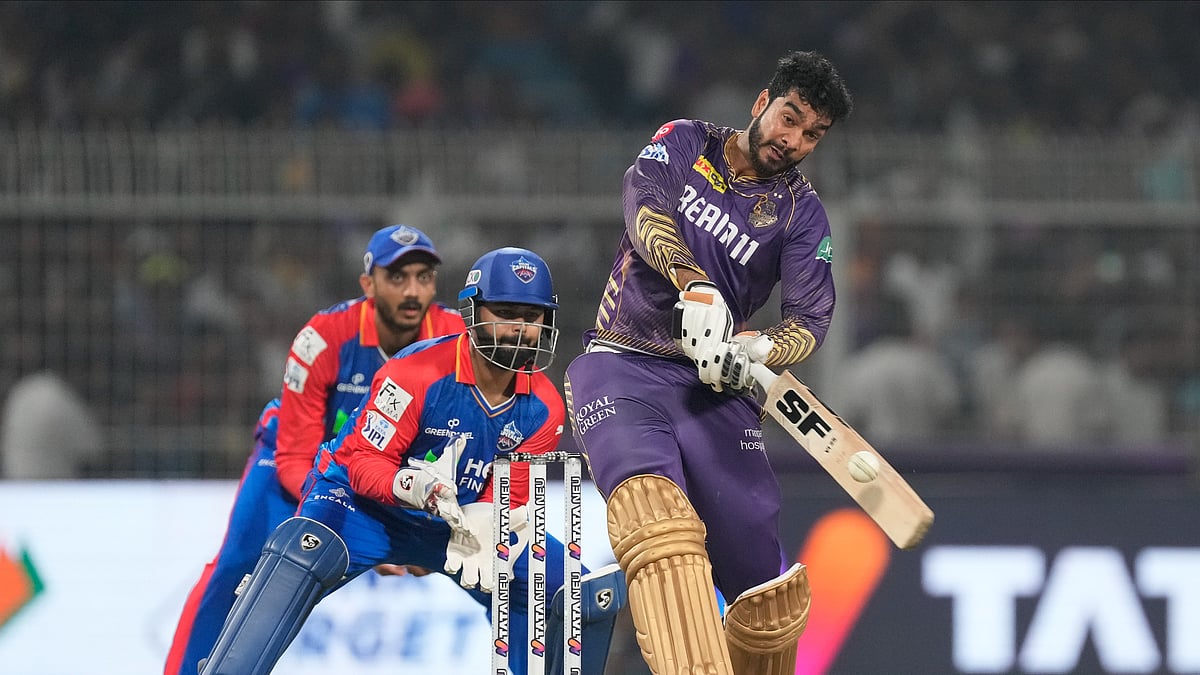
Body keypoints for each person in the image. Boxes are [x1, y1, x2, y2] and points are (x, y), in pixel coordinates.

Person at [198, 247, 625, 675]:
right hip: (362, 509)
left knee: (576, 594)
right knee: (298, 553)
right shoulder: (415, 373)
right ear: (472, 313)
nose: (519, 328)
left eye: (531, 316)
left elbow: (509, 493)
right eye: (506, 312)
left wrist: (489, 518)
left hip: (455, 523)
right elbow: (363, 463)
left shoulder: (545, 406)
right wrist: (411, 486)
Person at [564, 50, 853, 674]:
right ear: (761, 103)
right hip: (624, 364)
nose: (794, 140)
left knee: (768, 601)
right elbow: (644, 206)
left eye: (813, 134)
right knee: (659, 530)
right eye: (790, 118)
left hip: (714, 386)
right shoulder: (686, 141)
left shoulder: (802, 213)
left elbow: (810, 320)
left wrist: (758, 349)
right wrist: (695, 284)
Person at [165, 224, 465, 675]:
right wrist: (352, 517)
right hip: (299, 470)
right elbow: (293, 458)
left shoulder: (456, 337)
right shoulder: (324, 338)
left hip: (391, 480)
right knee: (237, 565)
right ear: (368, 285)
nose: (412, 291)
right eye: (397, 277)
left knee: (502, 575)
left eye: (423, 277)